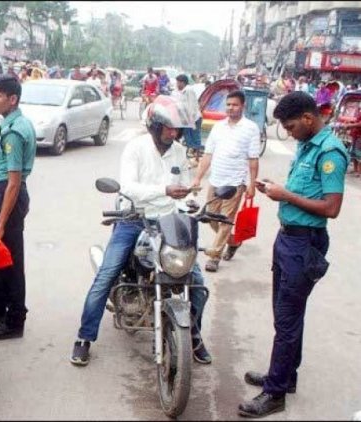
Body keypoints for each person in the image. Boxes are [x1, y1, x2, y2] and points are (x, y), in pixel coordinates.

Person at [70, 96, 212, 366]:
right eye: (168, 128)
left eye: (176, 129)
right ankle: (84, 337)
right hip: (134, 216)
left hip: (169, 219)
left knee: (195, 280)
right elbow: (128, 186)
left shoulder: (179, 152)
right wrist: (164, 190)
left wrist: (188, 202)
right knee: (107, 275)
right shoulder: (135, 148)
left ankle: (193, 335)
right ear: (154, 126)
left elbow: (182, 188)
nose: (173, 133)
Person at [238, 92, 349, 418]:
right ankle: (285, 377)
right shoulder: (307, 144)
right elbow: (304, 191)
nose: (288, 133)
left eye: (290, 126)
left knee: (287, 320)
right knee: (286, 315)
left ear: (308, 118)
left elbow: (332, 207)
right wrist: (278, 189)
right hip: (288, 240)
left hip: (305, 244)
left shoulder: (330, 152)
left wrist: (284, 194)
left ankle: (275, 393)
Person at [0, 75, 37, 340]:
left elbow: (13, 182)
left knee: (11, 260)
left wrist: (1, 223)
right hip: (6, 194)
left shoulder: (14, 131)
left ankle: (14, 320)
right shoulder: (16, 122)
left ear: (12, 99)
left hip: (8, 196)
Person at [192, 91, 261, 272]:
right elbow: (208, 155)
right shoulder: (218, 127)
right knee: (210, 217)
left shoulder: (251, 128)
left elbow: (253, 159)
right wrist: (198, 177)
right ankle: (233, 241)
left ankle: (214, 256)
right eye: (228, 104)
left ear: (243, 106)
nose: (231, 108)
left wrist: (251, 184)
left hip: (235, 183)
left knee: (225, 220)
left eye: (235, 105)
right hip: (216, 180)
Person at [173, 74, 204, 159]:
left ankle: (197, 155)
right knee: (187, 136)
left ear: (183, 83)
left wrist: (192, 120)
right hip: (186, 118)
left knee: (195, 135)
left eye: (178, 82)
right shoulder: (179, 91)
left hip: (193, 118)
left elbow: (192, 105)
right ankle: (191, 153)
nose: (177, 84)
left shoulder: (189, 90)